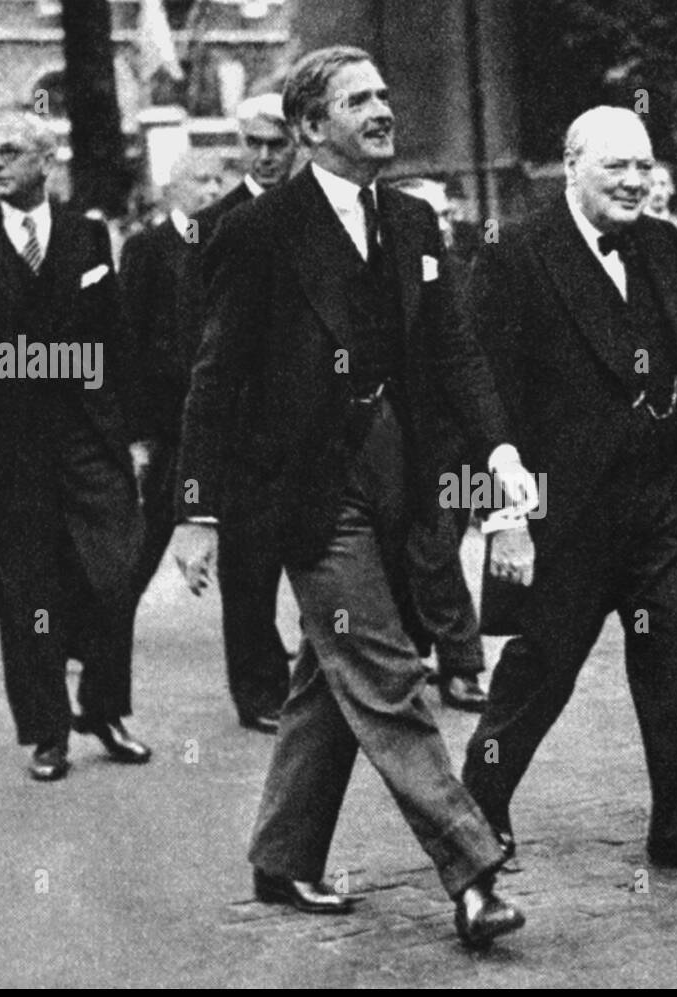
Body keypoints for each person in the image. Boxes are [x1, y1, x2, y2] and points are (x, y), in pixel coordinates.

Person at [171, 45, 535, 948]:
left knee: (326, 677)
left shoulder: (412, 221)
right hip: (310, 496)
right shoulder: (256, 233)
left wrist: (500, 451)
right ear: (309, 127)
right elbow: (214, 379)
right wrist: (196, 508)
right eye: (358, 99)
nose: (383, 110)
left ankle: (284, 852)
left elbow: (455, 352)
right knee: (383, 672)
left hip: (403, 483)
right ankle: (474, 867)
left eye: (385, 94)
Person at [460, 106, 677, 882]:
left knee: (676, 665)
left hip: (658, 502)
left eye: (643, 166)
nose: (634, 182)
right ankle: (478, 809)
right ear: (571, 164)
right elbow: (484, 391)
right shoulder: (517, 252)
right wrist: (505, 518)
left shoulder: (660, 243)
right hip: (566, 508)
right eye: (616, 167)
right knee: (540, 671)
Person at [0, 112, 151, 781]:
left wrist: (134, 430)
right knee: (29, 593)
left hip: (90, 437)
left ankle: (103, 708)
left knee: (115, 573)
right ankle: (48, 732)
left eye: (9, 151)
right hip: (12, 450)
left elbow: (117, 336)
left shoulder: (89, 234)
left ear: (46, 160)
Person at [183, 93, 299, 734]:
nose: (264, 155)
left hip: (313, 418)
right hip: (244, 424)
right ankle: (257, 691)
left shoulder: (316, 213)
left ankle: (324, 678)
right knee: (249, 572)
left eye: (275, 143)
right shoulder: (213, 223)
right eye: (252, 143)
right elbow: (195, 332)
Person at [390, 175, 487, 711]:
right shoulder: (395, 279)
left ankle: (413, 649)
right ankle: (462, 663)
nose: (444, 226)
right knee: (434, 553)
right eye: (433, 216)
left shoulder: (467, 269)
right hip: (417, 444)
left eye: (447, 216)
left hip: (465, 441)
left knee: (438, 546)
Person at [121, 150, 225, 607]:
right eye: (201, 180)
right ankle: (105, 622)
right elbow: (130, 340)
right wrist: (138, 431)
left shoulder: (229, 241)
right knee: (154, 526)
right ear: (173, 191)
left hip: (222, 411)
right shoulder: (146, 249)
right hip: (170, 420)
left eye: (219, 181)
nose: (213, 190)